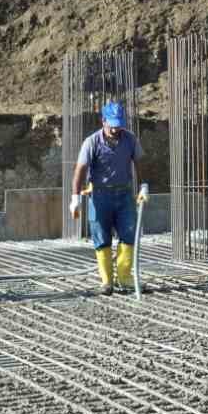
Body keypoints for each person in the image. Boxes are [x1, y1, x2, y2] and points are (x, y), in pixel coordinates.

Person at [69, 102, 146, 296]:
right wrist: (75, 198)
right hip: (100, 196)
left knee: (129, 235)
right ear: (103, 121)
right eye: (111, 124)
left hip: (124, 195)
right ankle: (107, 282)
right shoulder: (92, 142)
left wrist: (144, 187)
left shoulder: (130, 140)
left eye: (118, 124)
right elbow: (80, 170)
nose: (115, 128)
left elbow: (140, 163)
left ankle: (125, 278)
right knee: (101, 238)